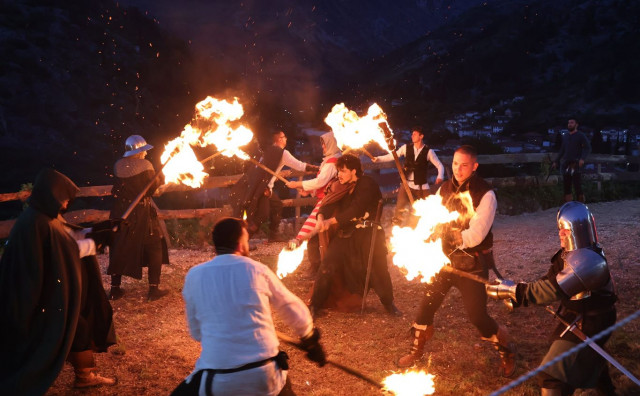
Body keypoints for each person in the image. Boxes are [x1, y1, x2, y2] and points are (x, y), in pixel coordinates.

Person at [395, 145, 516, 377]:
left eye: (464, 165)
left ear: (474, 166)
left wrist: (450, 234)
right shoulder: (444, 189)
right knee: (426, 306)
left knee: (477, 316)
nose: (458, 170)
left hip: (472, 263)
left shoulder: (486, 194)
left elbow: (476, 235)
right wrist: (424, 231)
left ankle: (506, 348)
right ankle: (415, 352)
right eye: (455, 164)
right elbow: (432, 218)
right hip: (443, 262)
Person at [173, 217, 326, 395]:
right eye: (246, 240)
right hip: (264, 375)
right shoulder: (257, 269)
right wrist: (310, 340)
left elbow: (196, 333)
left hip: (219, 380)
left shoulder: (194, 275)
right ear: (240, 244)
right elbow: (291, 307)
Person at [0, 169, 116, 394]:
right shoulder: (38, 223)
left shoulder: (44, 216)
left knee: (79, 324)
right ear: (50, 195)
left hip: (47, 290)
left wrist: (99, 230)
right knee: (53, 334)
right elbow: (65, 252)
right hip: (35, 298)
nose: (65, 205)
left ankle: (85, 376)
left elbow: (67, 238)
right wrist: (97, 243)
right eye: (63, 198)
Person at [486, 202, 617, 395]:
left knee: (553, 375)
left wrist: (515, 291)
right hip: (576, 317)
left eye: (564, 230)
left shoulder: (590, 261)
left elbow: (553, 290)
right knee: (585, 355)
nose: (560, 234)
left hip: (592, 322)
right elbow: (549, 281)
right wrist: (518, 296)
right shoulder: (566, 256)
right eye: (560, 230)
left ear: (578, 230)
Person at [309, 154, 401, 316]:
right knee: (327, 265)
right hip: (346, 233)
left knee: (376, 268)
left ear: (354, 171)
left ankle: (388, 303)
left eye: (343, 171)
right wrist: (321, 217)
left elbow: (356, 209)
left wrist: (330, 222)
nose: (339, 175)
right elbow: (327, 204)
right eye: (338, 171)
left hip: (368, 233)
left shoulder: (367, 184)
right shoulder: (340, 186)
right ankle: (315, 305)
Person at [108, 134, 170, 301]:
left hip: (120, 211)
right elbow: (151, 188)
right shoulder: (145, 165)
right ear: (139, 151)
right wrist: (160, 178)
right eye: (143, 151)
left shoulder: (118, 165)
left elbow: (120, 189)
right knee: (154, 246)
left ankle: (114, 289)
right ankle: (153, 290)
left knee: (118, 246)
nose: (145, 154)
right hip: (140, 213)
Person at [232, 130, 316, 242]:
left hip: (261, 188)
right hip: (262, 190)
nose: (286, 139)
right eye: (284, 137)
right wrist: (317, 169)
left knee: (277, 206)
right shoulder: (282, 153)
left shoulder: (267, 151)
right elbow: (300, 166)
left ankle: (273, 235)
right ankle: (244, 240)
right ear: (279, 139)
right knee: (262, 215)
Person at [286, 131, 341, 273]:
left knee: (312, 233)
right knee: (316, 233)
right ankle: (318, 266)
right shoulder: (330, 160)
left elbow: (321, 181)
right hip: (325, 199)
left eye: (324, 144)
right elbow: (323, 183)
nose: (322, 147)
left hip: (327, 202)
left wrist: (298, 185)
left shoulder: (333, 162)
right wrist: (308, 191)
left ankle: (316, 266)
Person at [373, 126, 444, 226]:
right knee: (399, 210)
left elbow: (439, 165)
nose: (412, 136)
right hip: (406, 185)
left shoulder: (429, 152)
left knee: (427, 212)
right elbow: (393, 156)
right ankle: (396, 231)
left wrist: (440, 176)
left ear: (421, 136)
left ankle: (425, 231)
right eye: (412, 134)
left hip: (422, 187)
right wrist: (378, 159)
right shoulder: (406, 148)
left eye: (415, 134)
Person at [552, 118, 591, 203]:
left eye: (572, 123)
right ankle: (568, 205)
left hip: (576, 164)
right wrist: (556, 161)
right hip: (566, 164)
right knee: (566, 185)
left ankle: (581, 205)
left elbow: (587, 148)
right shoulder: (565, 136)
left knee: (577, 185)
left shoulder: (581, 135)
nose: (569, 124)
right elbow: (562, 150)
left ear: (576, 124)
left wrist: (582, 159)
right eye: (569, 123)